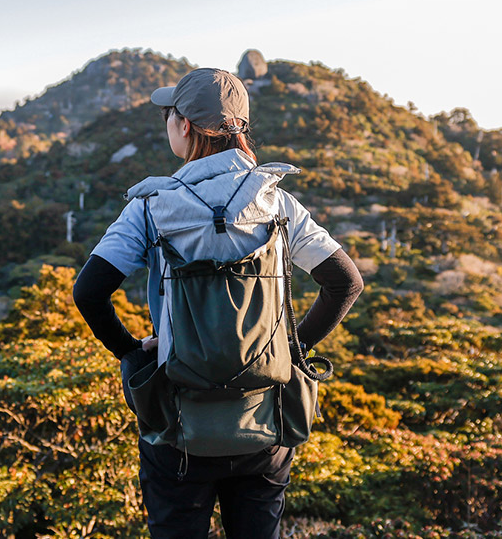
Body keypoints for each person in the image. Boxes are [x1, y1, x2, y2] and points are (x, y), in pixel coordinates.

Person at [73, 66, 364, 539]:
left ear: (184, 125)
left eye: (169, 114)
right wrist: (292, 350)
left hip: (177, 422)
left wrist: (131, 353)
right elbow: (345, 284)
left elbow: (88, 292)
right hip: (264, 422)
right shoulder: (276, 203)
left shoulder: (151, 206)